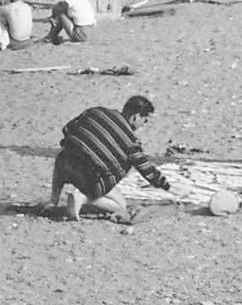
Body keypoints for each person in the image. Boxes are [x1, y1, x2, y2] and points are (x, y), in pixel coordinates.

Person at [49, 95, 171, 223]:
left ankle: (53, 202)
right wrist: (164, 185)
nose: (143, 125)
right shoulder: (131, 142)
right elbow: (145, 168)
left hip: (66, 164)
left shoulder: (96, 112)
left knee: (64, 155)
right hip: (92, 179)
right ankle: (83, 197)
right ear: (136, 117)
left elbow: (68, 128)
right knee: (120, 206)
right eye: (144, 121)